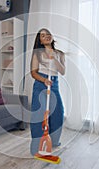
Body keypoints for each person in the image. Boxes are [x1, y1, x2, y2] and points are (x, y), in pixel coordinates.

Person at [30, 28, 65, 156]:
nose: (46, 36)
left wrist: (54, 58)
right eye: (43, 35)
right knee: (39, 115)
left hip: (54, 84)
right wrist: (44, 80)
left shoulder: (60, 53)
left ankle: (54, 142)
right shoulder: (37, 54)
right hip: (40, 84)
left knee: (58, 113)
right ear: (39, 40)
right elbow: (33, 72)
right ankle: (36, 148)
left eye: (48, 34)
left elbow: (62, 71)